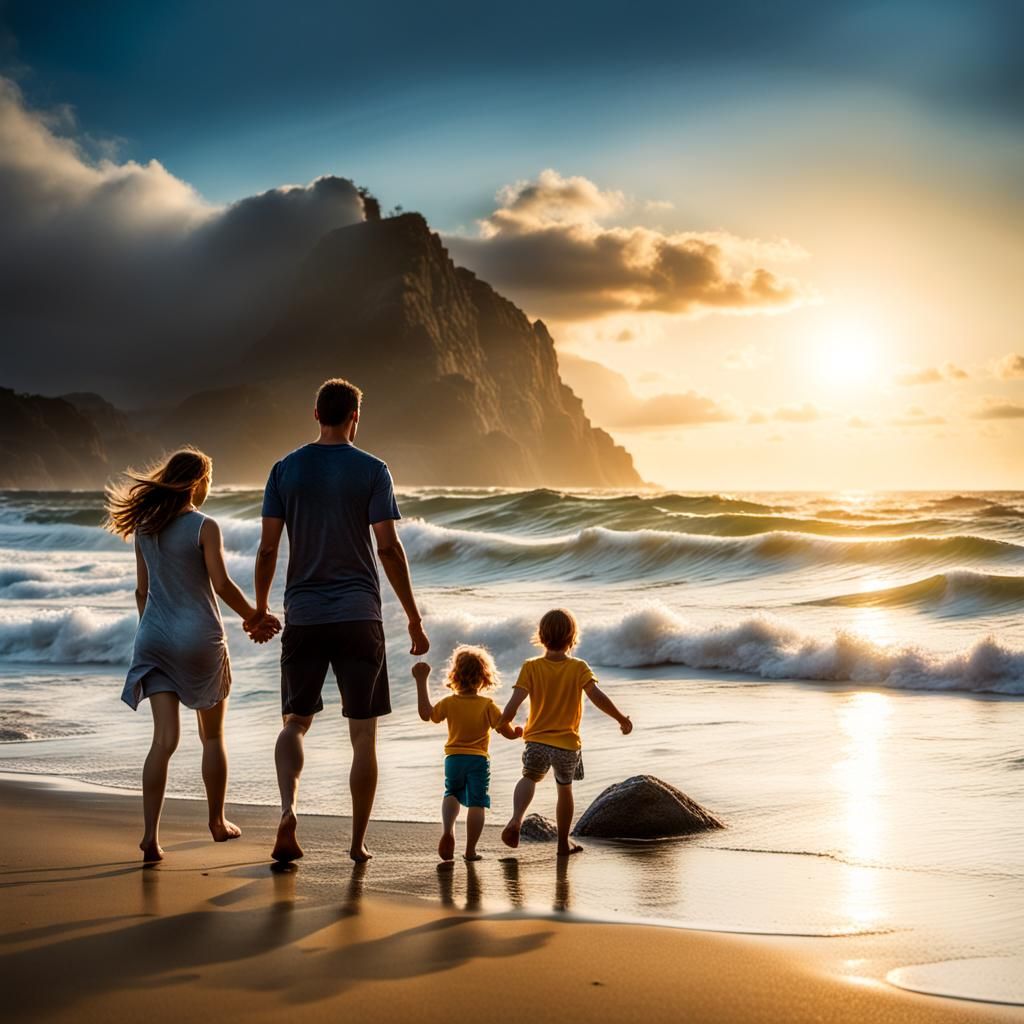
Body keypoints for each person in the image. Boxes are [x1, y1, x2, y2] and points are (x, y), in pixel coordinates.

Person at [254, 378, 429, 864]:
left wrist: (261, 608)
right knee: (363, 734)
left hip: (304, 615)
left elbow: (268, 547)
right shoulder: (373, 470)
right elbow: (389, 549)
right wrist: (413, 618)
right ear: (356, 416)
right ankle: (356, 844)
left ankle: (289, 811)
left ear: (315, 413)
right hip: (359, 616)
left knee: (295, 722)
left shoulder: (284, 470)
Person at [107, 447, 280, 862]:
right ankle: (217, 821)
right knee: (213, 735)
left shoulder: (146, 526)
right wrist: (256, 616)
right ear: (198, 482)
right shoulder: (205, 526)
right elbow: (220, 584)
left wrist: (153, 629)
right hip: (198, 639)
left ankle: (150, 837)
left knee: (163, 741)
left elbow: (142, 591)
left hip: (153, 637)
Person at [497, 608, 632, 856]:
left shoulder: (531, 667)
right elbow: (597, 697)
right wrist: (621, 718)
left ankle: (516, 819)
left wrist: (503, 723)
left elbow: (514, 703)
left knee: (529, 778)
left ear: (540, 636)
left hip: (536, 739)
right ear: (573, 637)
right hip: (567, 744)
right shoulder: (579, 668)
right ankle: (562, 843)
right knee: (564, 789)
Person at [412, 647, 522, 863]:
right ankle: (470, 850)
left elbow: (427, 715)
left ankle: (448, 831)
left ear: (454, 675)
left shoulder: (449, 702)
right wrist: (517, 733)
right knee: (476, 803)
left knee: (451, 792)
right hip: (478, 759)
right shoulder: (487, 705)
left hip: (453, 759)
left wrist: (421, 680)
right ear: (484, 677)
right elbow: (505, 730)